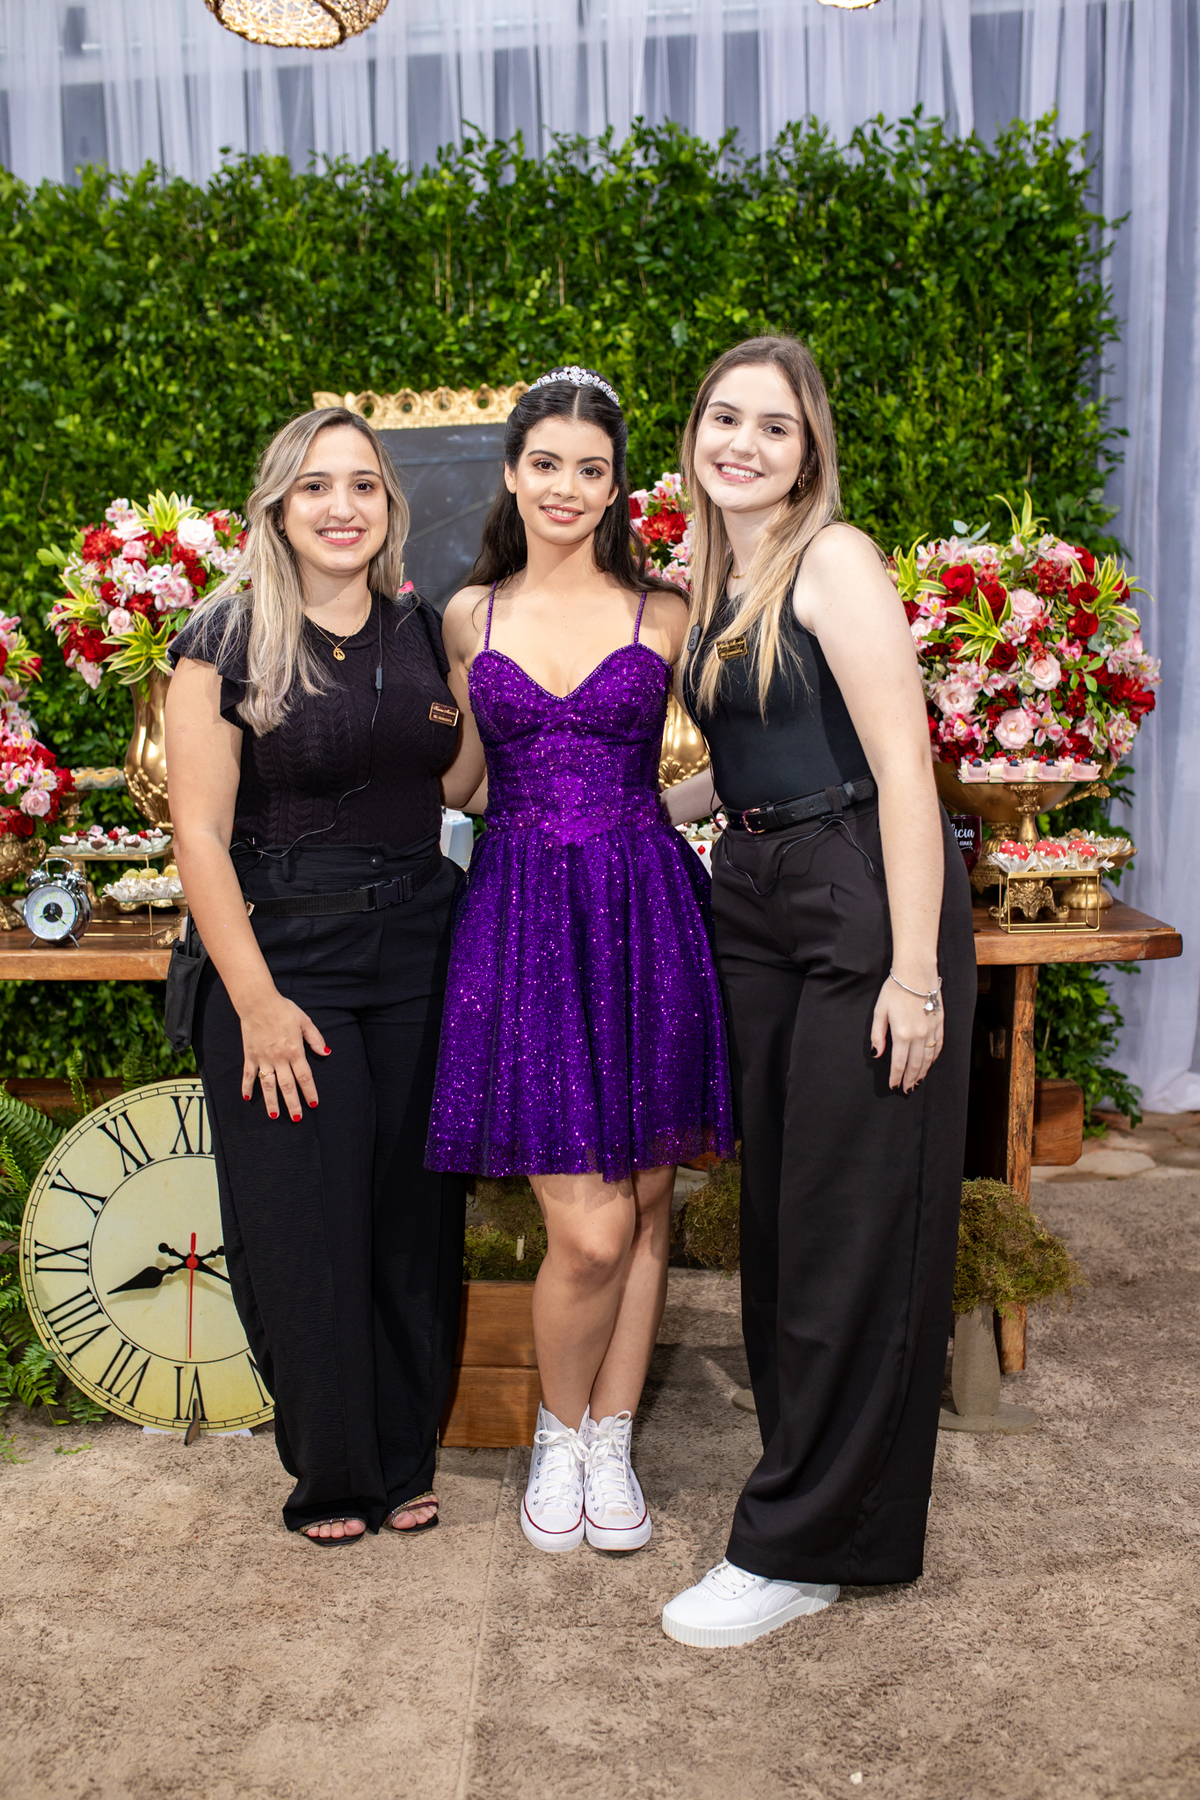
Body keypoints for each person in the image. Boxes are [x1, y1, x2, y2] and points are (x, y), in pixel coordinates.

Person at [659, 337, 975, 1647]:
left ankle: (794, 1546)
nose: (743, 442)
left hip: (859, 891)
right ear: (695, 434)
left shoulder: (833, 558)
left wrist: (915, 972)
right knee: (784, 1217)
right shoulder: (715, 574)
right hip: (754, 888)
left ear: (808, 454)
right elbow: (750, 761)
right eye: (725, 418)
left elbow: (903, 770)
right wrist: (616, 809)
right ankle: (822, 1502)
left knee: (852, 1221)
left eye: (774, 427)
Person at [427, 367, 734, 1555]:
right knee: (590, 1230)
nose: (566, 486)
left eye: (590, 469)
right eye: (545, 463)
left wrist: (669, 811)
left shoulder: (668, 611)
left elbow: (736, 753)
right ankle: (558, 1434)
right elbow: (464, 781)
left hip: (644, 906)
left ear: (616, 487)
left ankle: (612, 1440)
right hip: (519, 919)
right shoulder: (471, 615)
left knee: (648, 1202)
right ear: (512, 474)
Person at [166, 406, 466, 1545]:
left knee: (410, 1223)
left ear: (390, 505)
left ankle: (402, 1457)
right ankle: (332, 1474)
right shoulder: (224, 638)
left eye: (364, 486)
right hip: (286, 962)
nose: (343, 507)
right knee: (305, 1226)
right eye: (316, 487)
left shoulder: (421, 628)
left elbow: (456, 783)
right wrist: (254, 1002)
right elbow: (199, 835)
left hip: (420, 953)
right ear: (278, 508)